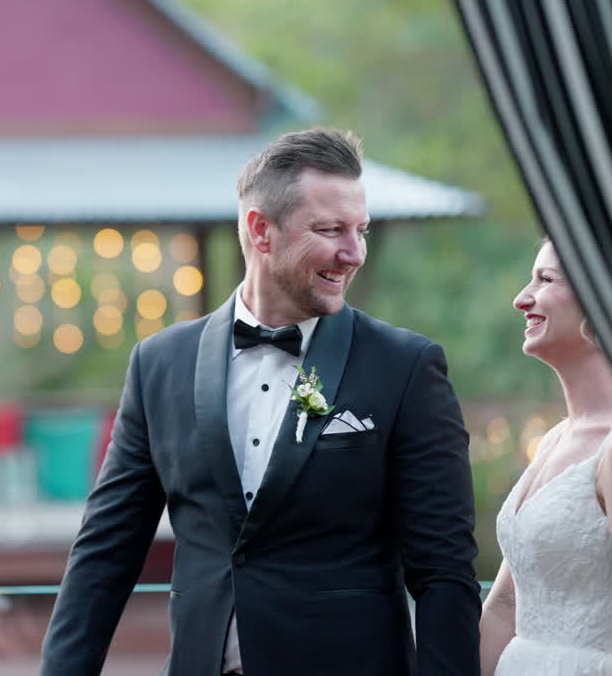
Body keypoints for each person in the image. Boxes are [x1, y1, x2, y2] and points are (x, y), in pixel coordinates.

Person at [40, 127, 481, 676]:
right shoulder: (159, 364)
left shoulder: (407, 368)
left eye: (361, 230)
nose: (354, 253)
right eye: (330, 230)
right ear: (260, 230)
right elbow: (105, 553)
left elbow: (443, 570)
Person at [482, 239, 612, 675]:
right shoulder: (555, 439)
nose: (522, 298)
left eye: (545, 280)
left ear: (605, 299)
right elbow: (504, 608)